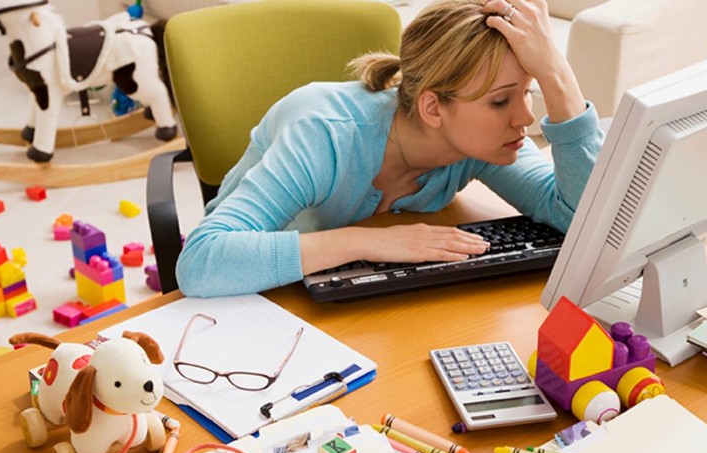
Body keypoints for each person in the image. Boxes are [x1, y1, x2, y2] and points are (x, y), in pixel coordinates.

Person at [176, 0, 604, 297]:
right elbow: (200, 261)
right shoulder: (323, 134)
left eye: (528, 91)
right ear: (433, 107)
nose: (525, 117)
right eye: (500, 101)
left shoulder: (478, 144)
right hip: (258, 297)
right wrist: (367, 243)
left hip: (345, 302)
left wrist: (556, 73)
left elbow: (585, 220)